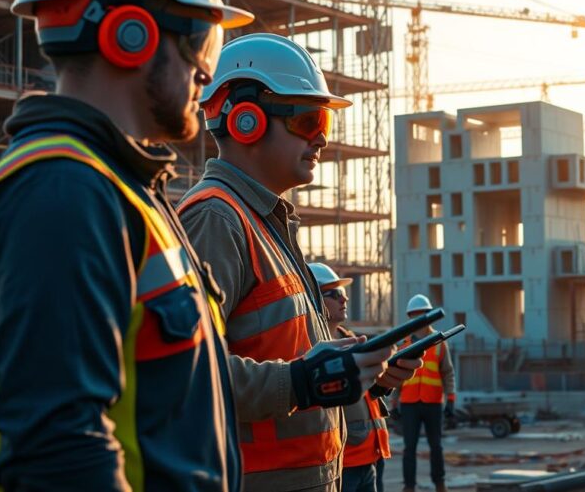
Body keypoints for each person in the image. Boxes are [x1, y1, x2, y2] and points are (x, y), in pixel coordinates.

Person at [0, 0, 255, 489]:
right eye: (201, 38)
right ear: (130, 31)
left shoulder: (118, 189)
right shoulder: (63, 195)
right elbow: (61, 456)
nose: (208, 70)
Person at [177, 33, 419, 492]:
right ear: (245, 118)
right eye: (308, 120)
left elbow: (289, 359)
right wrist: (303, 381)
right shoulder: (216, 220)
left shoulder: (266, 223)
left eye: (323, 120)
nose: (322, 139)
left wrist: (364, 377)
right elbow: (186, 374)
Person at [310, 263, 394, 492]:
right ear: (313, 298)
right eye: (334, 294)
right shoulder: (314, 352)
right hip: (344, 461)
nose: (343, 299)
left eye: (344, 293)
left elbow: (366, 393)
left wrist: (386, 382)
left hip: (373, 453)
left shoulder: (352, 340)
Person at [397, 295, 457, 492]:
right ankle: (409, 487)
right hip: (409, 403)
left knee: (436, 446)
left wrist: (450, 400)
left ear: (429, 316)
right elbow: (395, 375)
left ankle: (440, 484)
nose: (417, 319)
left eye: (421, 315)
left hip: (432, 402)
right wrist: (392, 404)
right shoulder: (403, 344)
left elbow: (448, 372)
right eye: (413, 316)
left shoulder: (439, 342)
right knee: (409, 448)